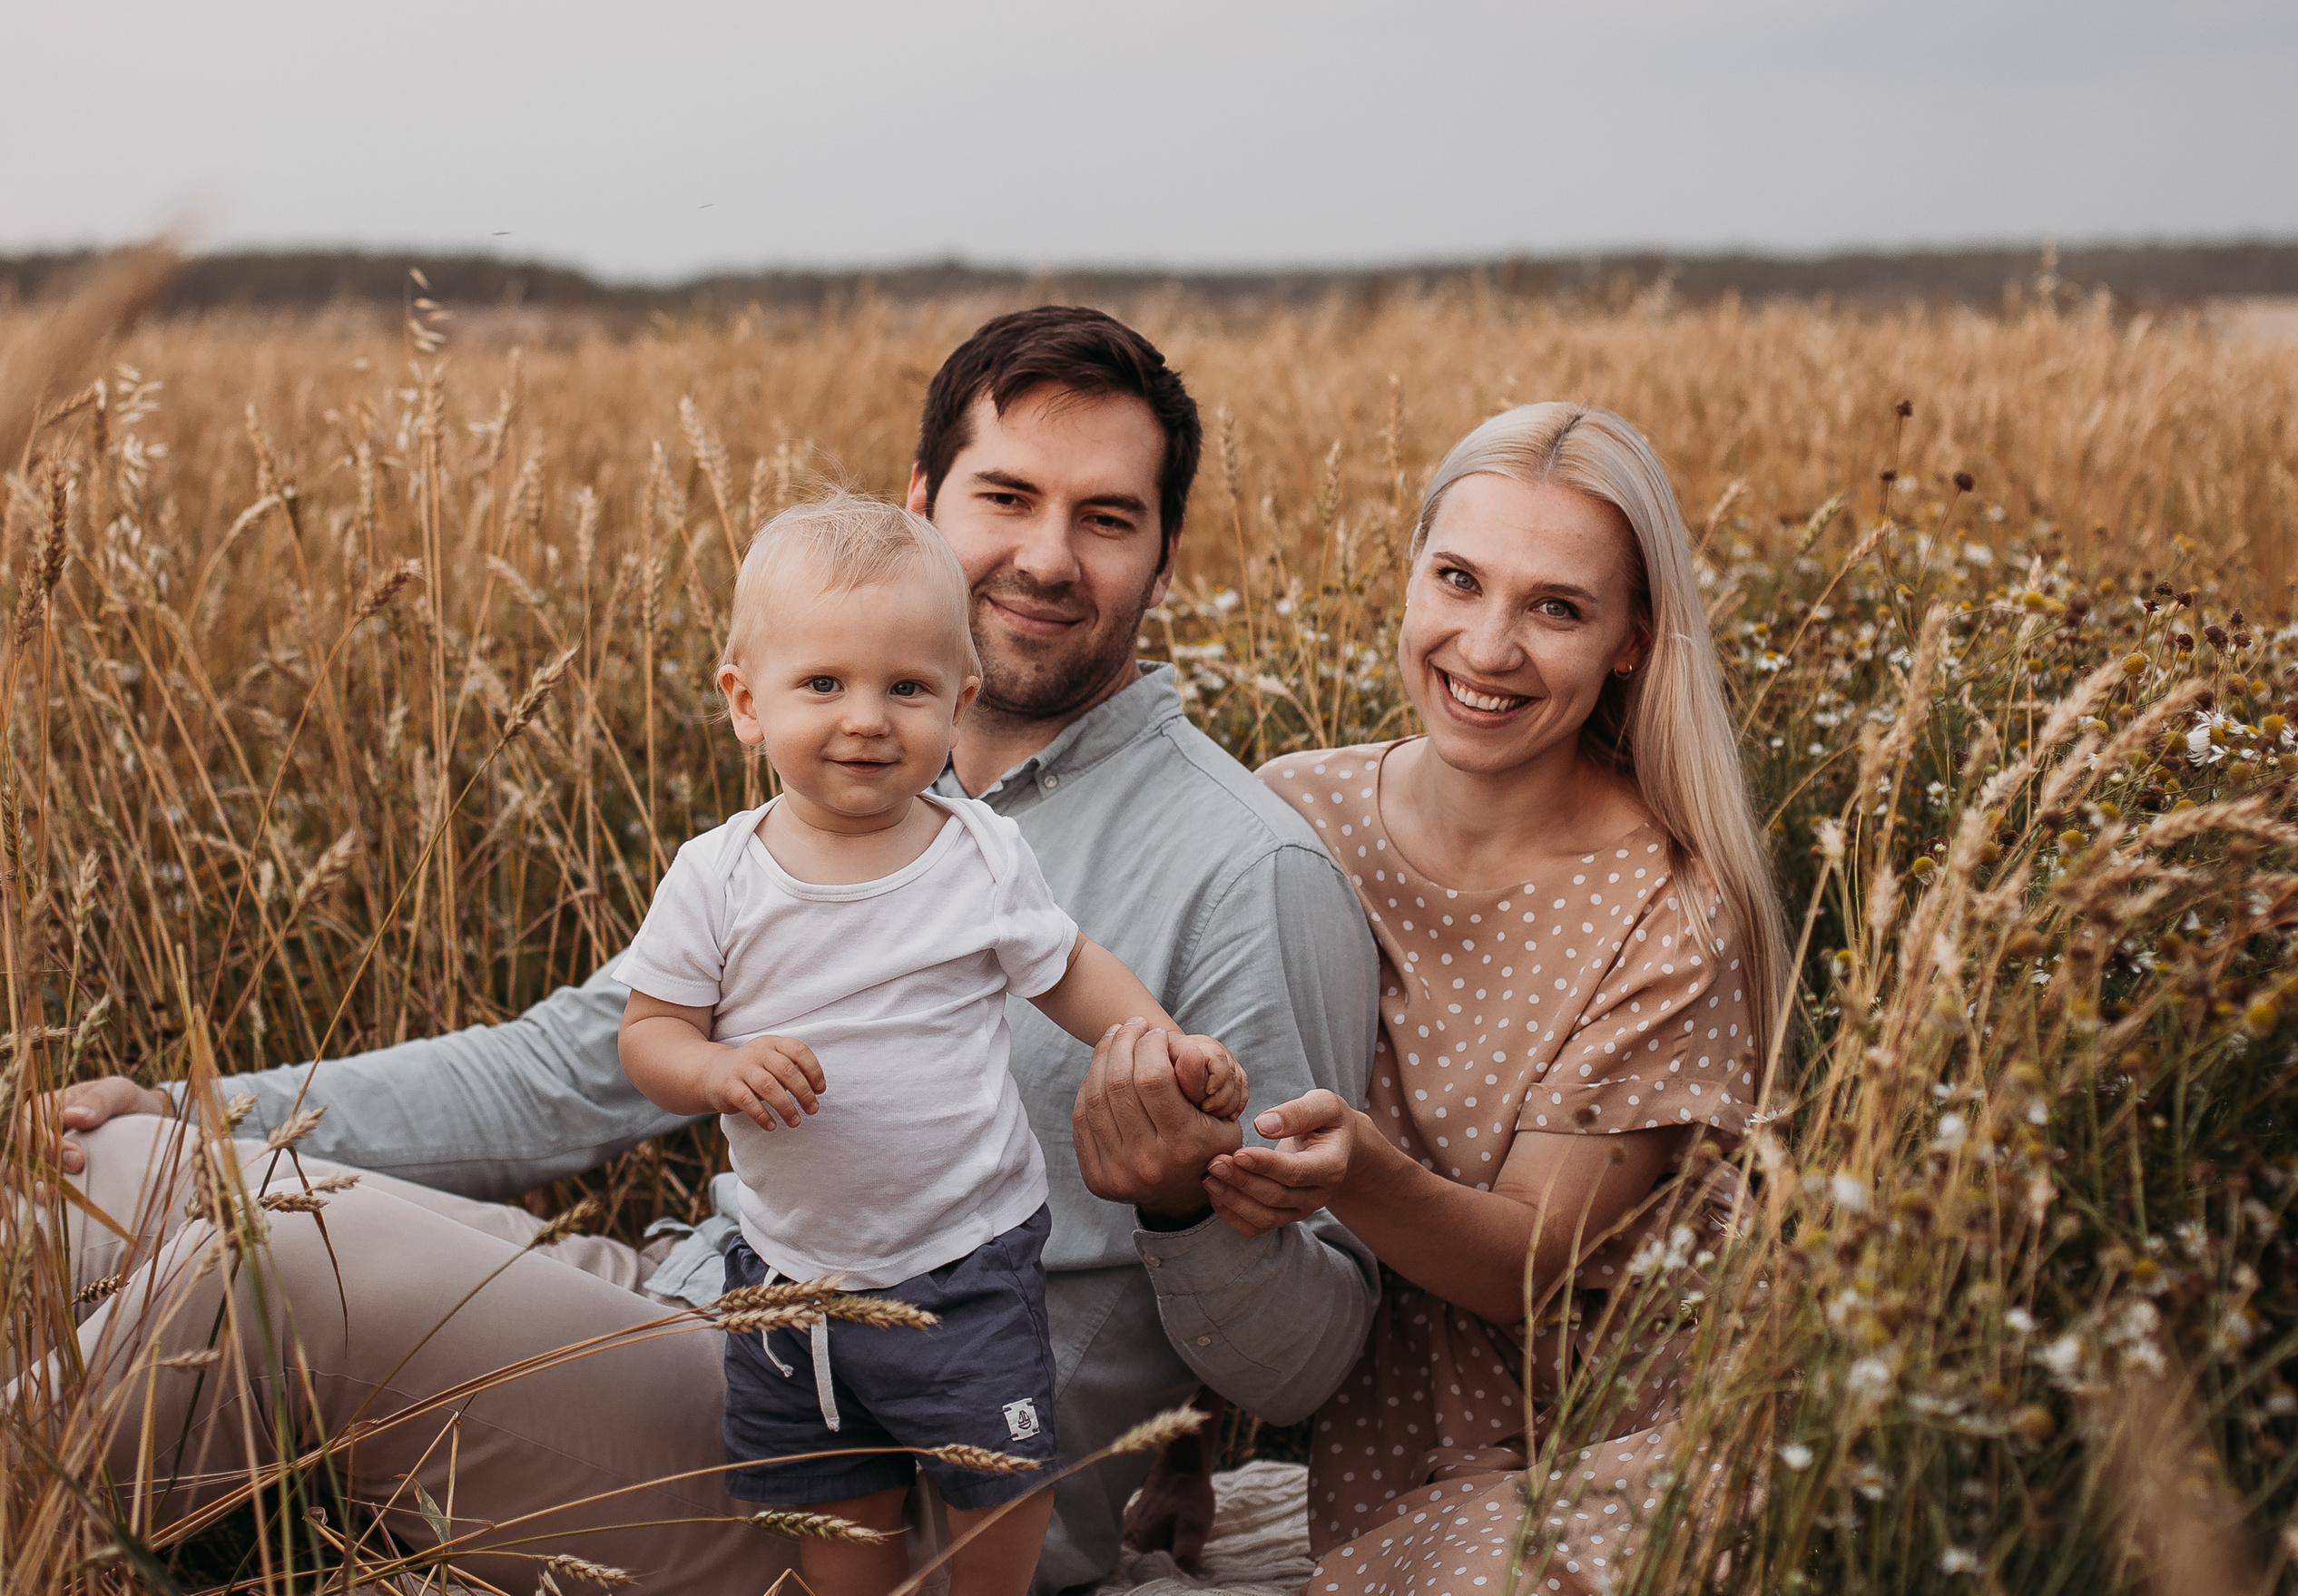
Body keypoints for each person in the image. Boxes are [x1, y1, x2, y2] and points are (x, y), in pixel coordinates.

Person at [42, 308, 1382, 1595]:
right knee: (101, 1175)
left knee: (259, 1278)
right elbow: (564, 1066)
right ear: (919, 505)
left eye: (1106, 518)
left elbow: (1311, 1359)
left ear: (1165, 554)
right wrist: (205, 1108)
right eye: (1008, 496)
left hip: (908, 1479)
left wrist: (1180, 1203)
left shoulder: (1242, 868)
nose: (1046, 555)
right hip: (718, 1313)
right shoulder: (828, 801)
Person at [1197, 403, 1786, 1596]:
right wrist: (1184, 1439)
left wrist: (1355, 1169)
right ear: (1409, 577)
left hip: (1630, 1429)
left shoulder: (1671, 903)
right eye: (1458, 579)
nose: (1488, 645)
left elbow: (1536, 1264)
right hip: (1406, 1431)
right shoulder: (1290, 817)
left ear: (1630, 639)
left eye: (1555, 606)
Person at [616, 492, 1244, 1596]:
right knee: (832, 1498)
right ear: (743, 702)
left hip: (963, 1256)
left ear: (958, 702)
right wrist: (715, 1069)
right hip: (791, 1275)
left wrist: (1163, 1043)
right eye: (824, 684)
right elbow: (650, 1036)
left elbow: (1067, 969)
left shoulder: (978, 856)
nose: (866, 718)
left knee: (997, 1475)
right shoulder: (715, 876)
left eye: (905, 688)